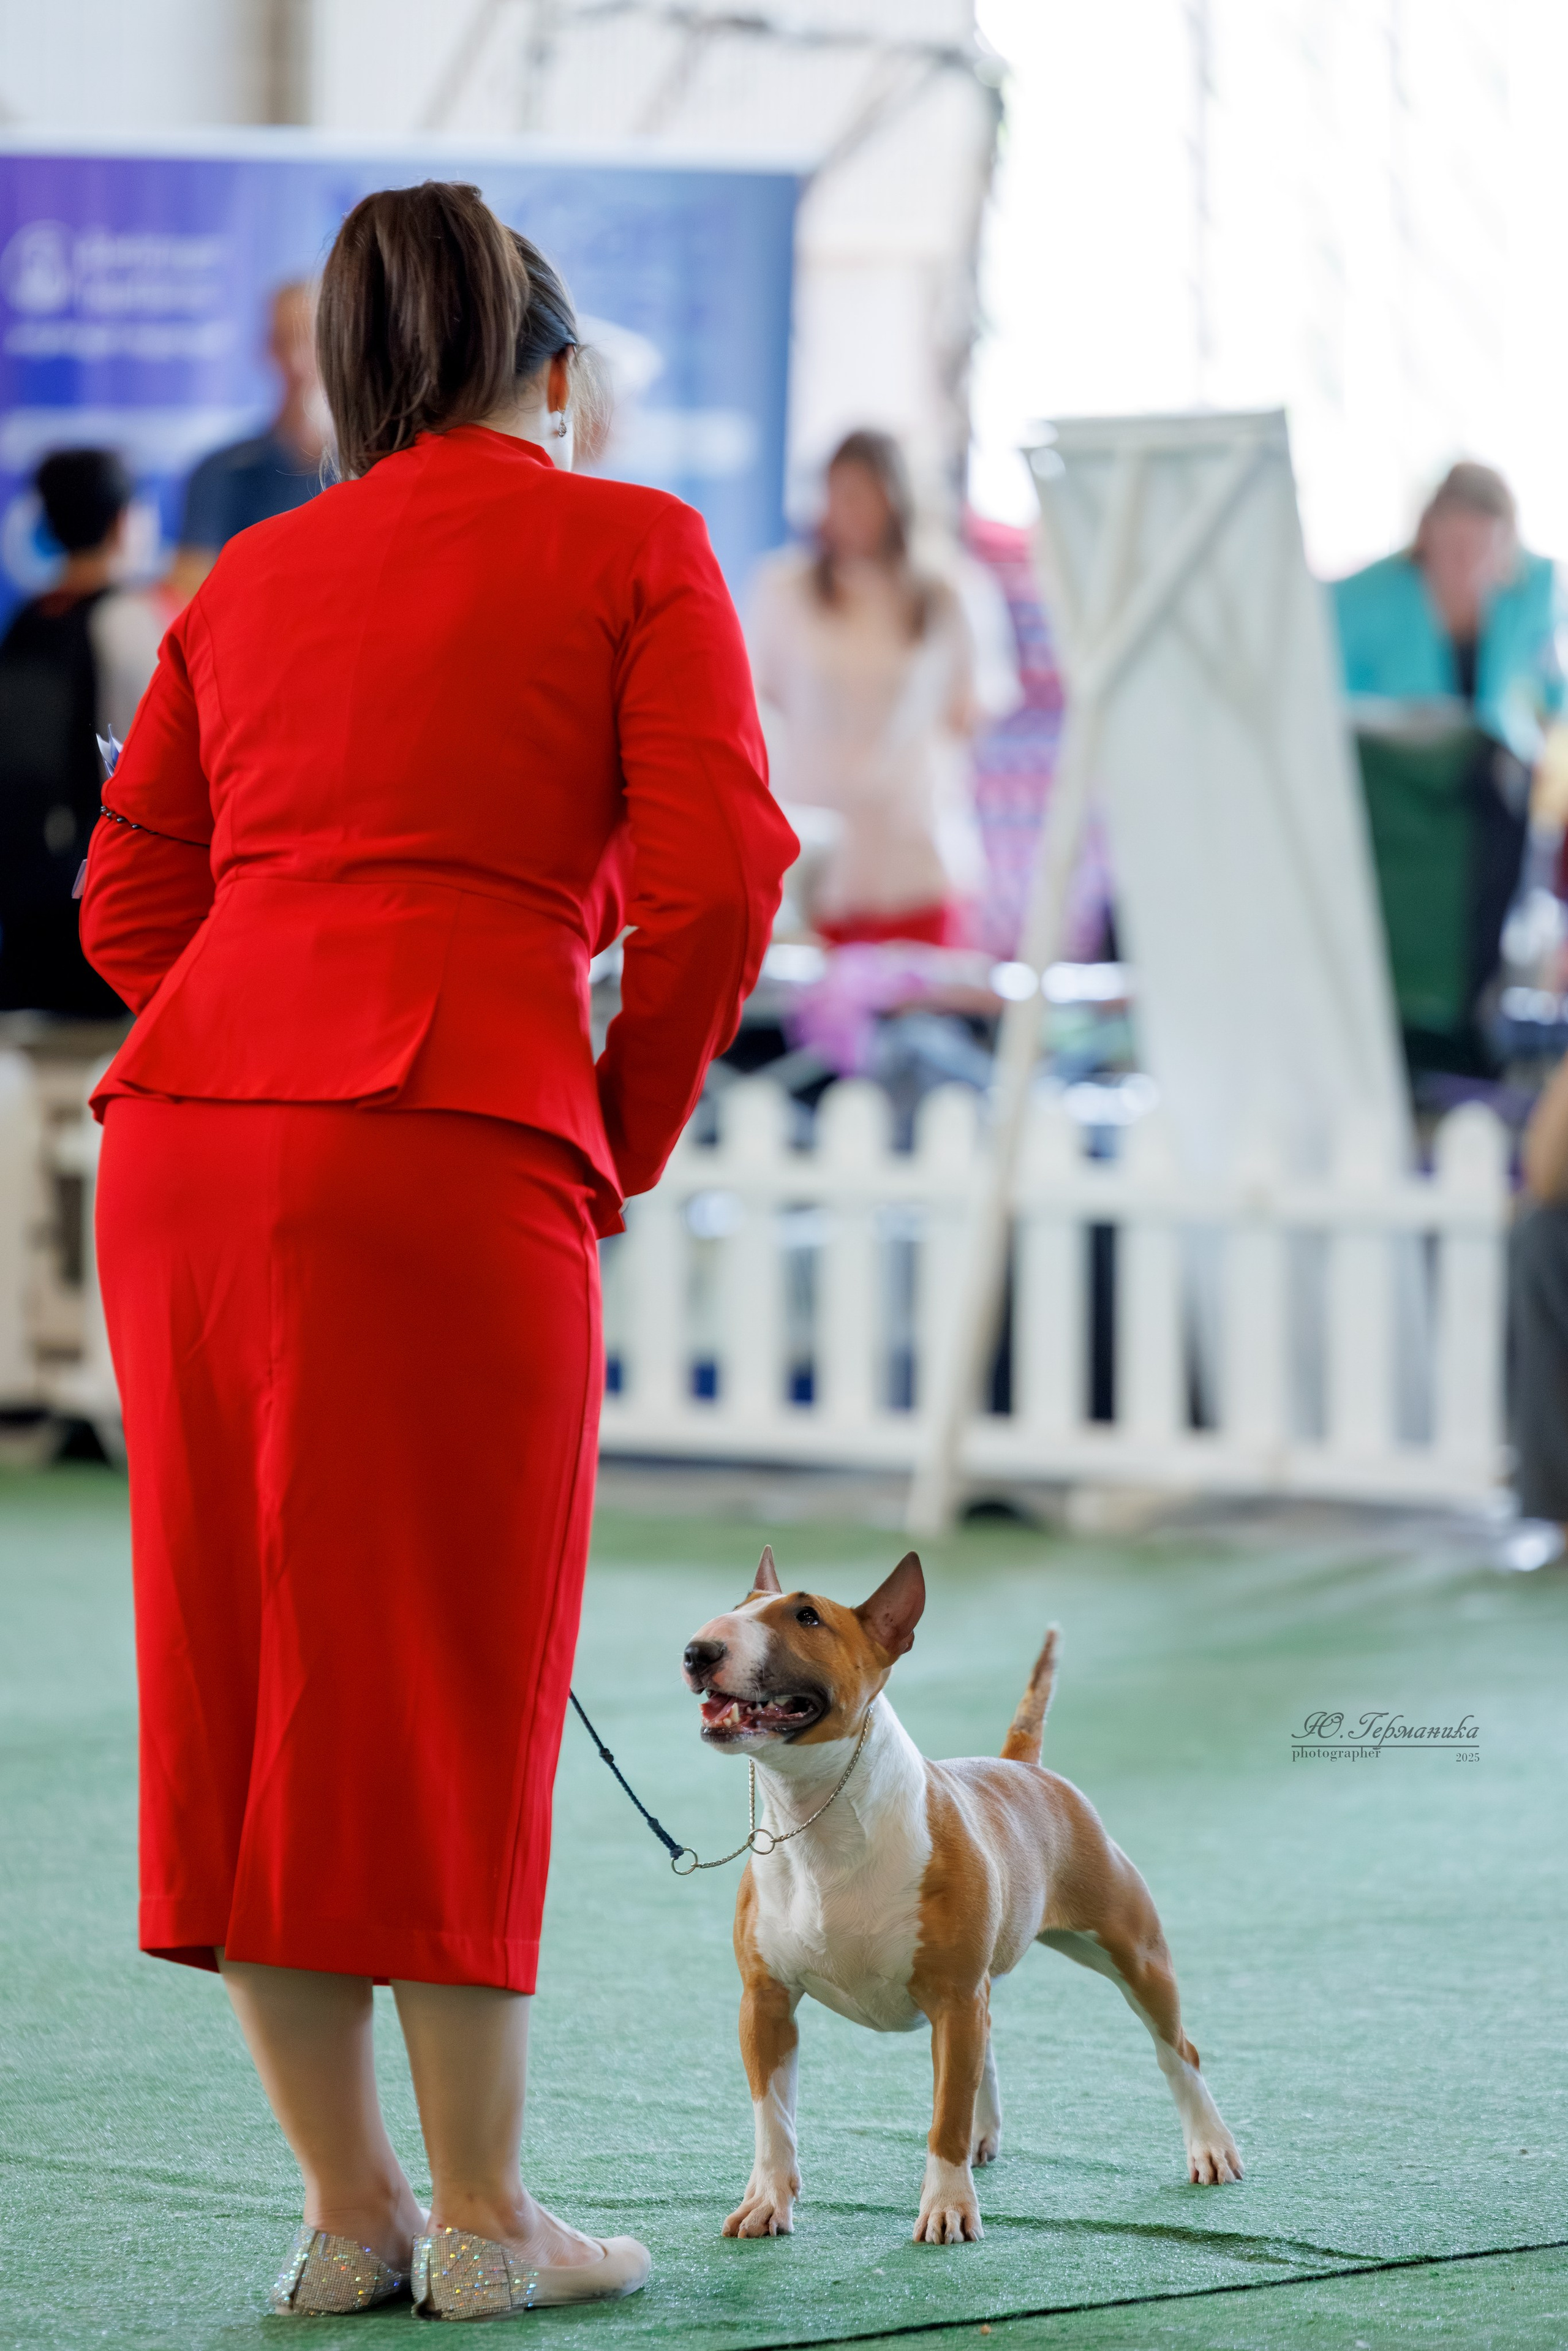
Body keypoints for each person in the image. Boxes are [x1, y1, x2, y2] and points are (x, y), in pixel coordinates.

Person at [81, 182, 794, 2322]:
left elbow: (129, 906)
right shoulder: (633, 541)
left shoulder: (248, 572)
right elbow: (722, 877)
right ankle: (486, 2218)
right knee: (448, 1670)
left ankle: (351, 2209)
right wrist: (622, 1116)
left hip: (195, 1144)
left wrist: (273, 986)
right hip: (453, 1132)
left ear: (355, 378)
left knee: (249, 1670)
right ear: (557, 378)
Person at [1331, 462, 1565, 1071]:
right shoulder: (1362, 603)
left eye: (1479, 550)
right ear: (1426, 535)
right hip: (1396, 798)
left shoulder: (1530, 597)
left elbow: (1548, 695)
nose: (1464, 565)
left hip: (1487, 802)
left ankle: (1470, 1028)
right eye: (1451, 546)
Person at [749, 429, 982, 947]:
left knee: (918, 1019)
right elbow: (760, 701)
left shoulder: (948, 594)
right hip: (813, 849)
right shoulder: (783, 588)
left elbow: (966, 714)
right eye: (838, 492)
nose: (847, 510)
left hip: (913, 847)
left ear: (896, 498)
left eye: (863, 494)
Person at [0, 449, 160, 1017]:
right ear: (123, 522)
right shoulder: (125, 622)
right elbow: (150, 769)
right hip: (97, 897)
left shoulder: (26, 619)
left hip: (21, 894)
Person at [165, 281, 328, 605]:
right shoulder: (219, 473)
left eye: (309, 340)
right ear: (266, 349)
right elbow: (187, 600)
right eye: (284, 342)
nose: (296, 362)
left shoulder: (374, 469)